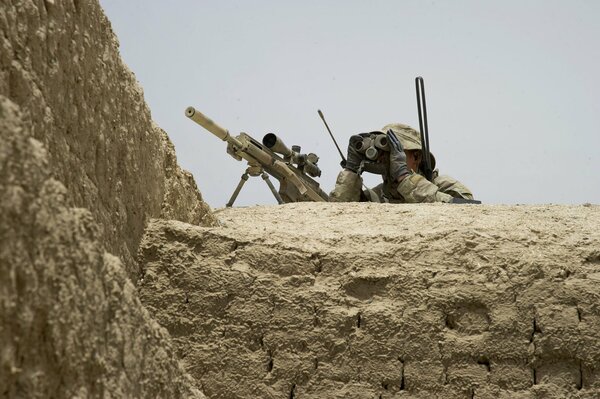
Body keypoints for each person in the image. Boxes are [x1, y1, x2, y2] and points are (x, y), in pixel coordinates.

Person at [329, 123, 475, 203]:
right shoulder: (379, 196)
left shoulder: (444, 185)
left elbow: (468, 211)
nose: (387, 159)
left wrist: (404, 177)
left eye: (394, 152)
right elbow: (336, 216)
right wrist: (351, 171)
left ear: (416, 157)